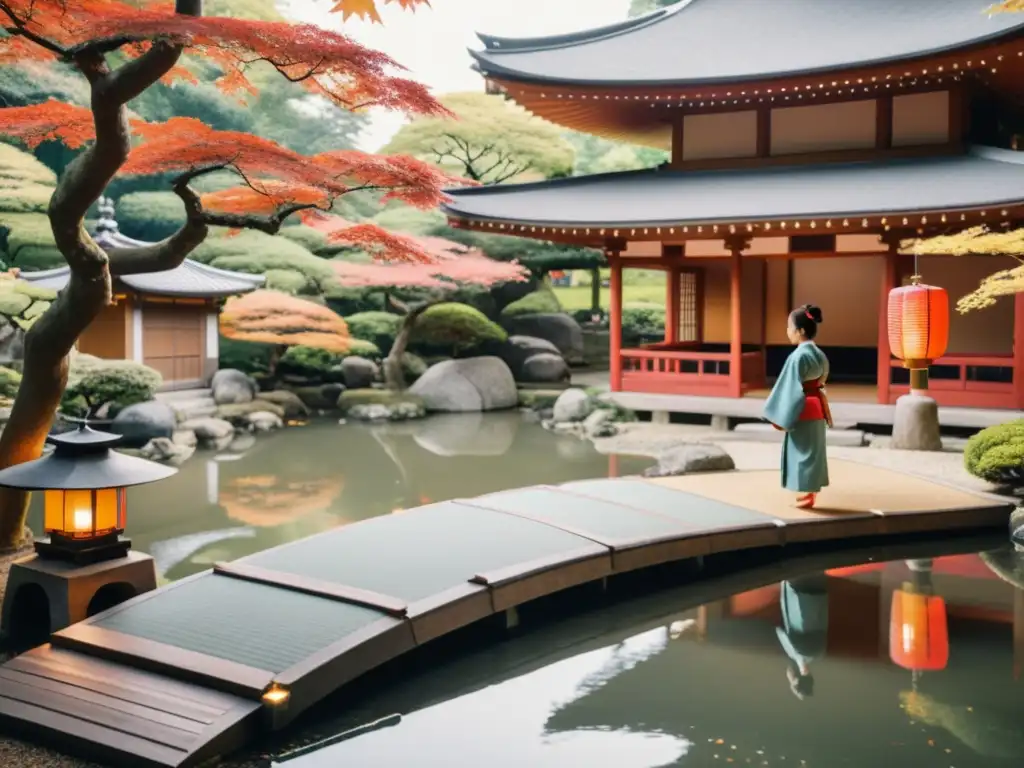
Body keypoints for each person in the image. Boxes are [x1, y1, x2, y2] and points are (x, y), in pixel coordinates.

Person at [763, 304, 832, 509]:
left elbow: (789, 388)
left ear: (800, 331)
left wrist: (780, 415)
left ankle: (807, 493)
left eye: (789, 327)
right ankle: (810, 492)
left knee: (801, 452)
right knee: (813, 452)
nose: (787, 331)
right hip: (816, 406)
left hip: (802, 407)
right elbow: (821, 381)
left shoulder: (798, 356)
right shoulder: (819, 354)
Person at [776, 574, 830, 700]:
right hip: (796, 591)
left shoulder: (820, 652)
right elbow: (779, 631)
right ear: (797, 678)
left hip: (819, 592)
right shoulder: (796, 653)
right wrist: (793, 681)